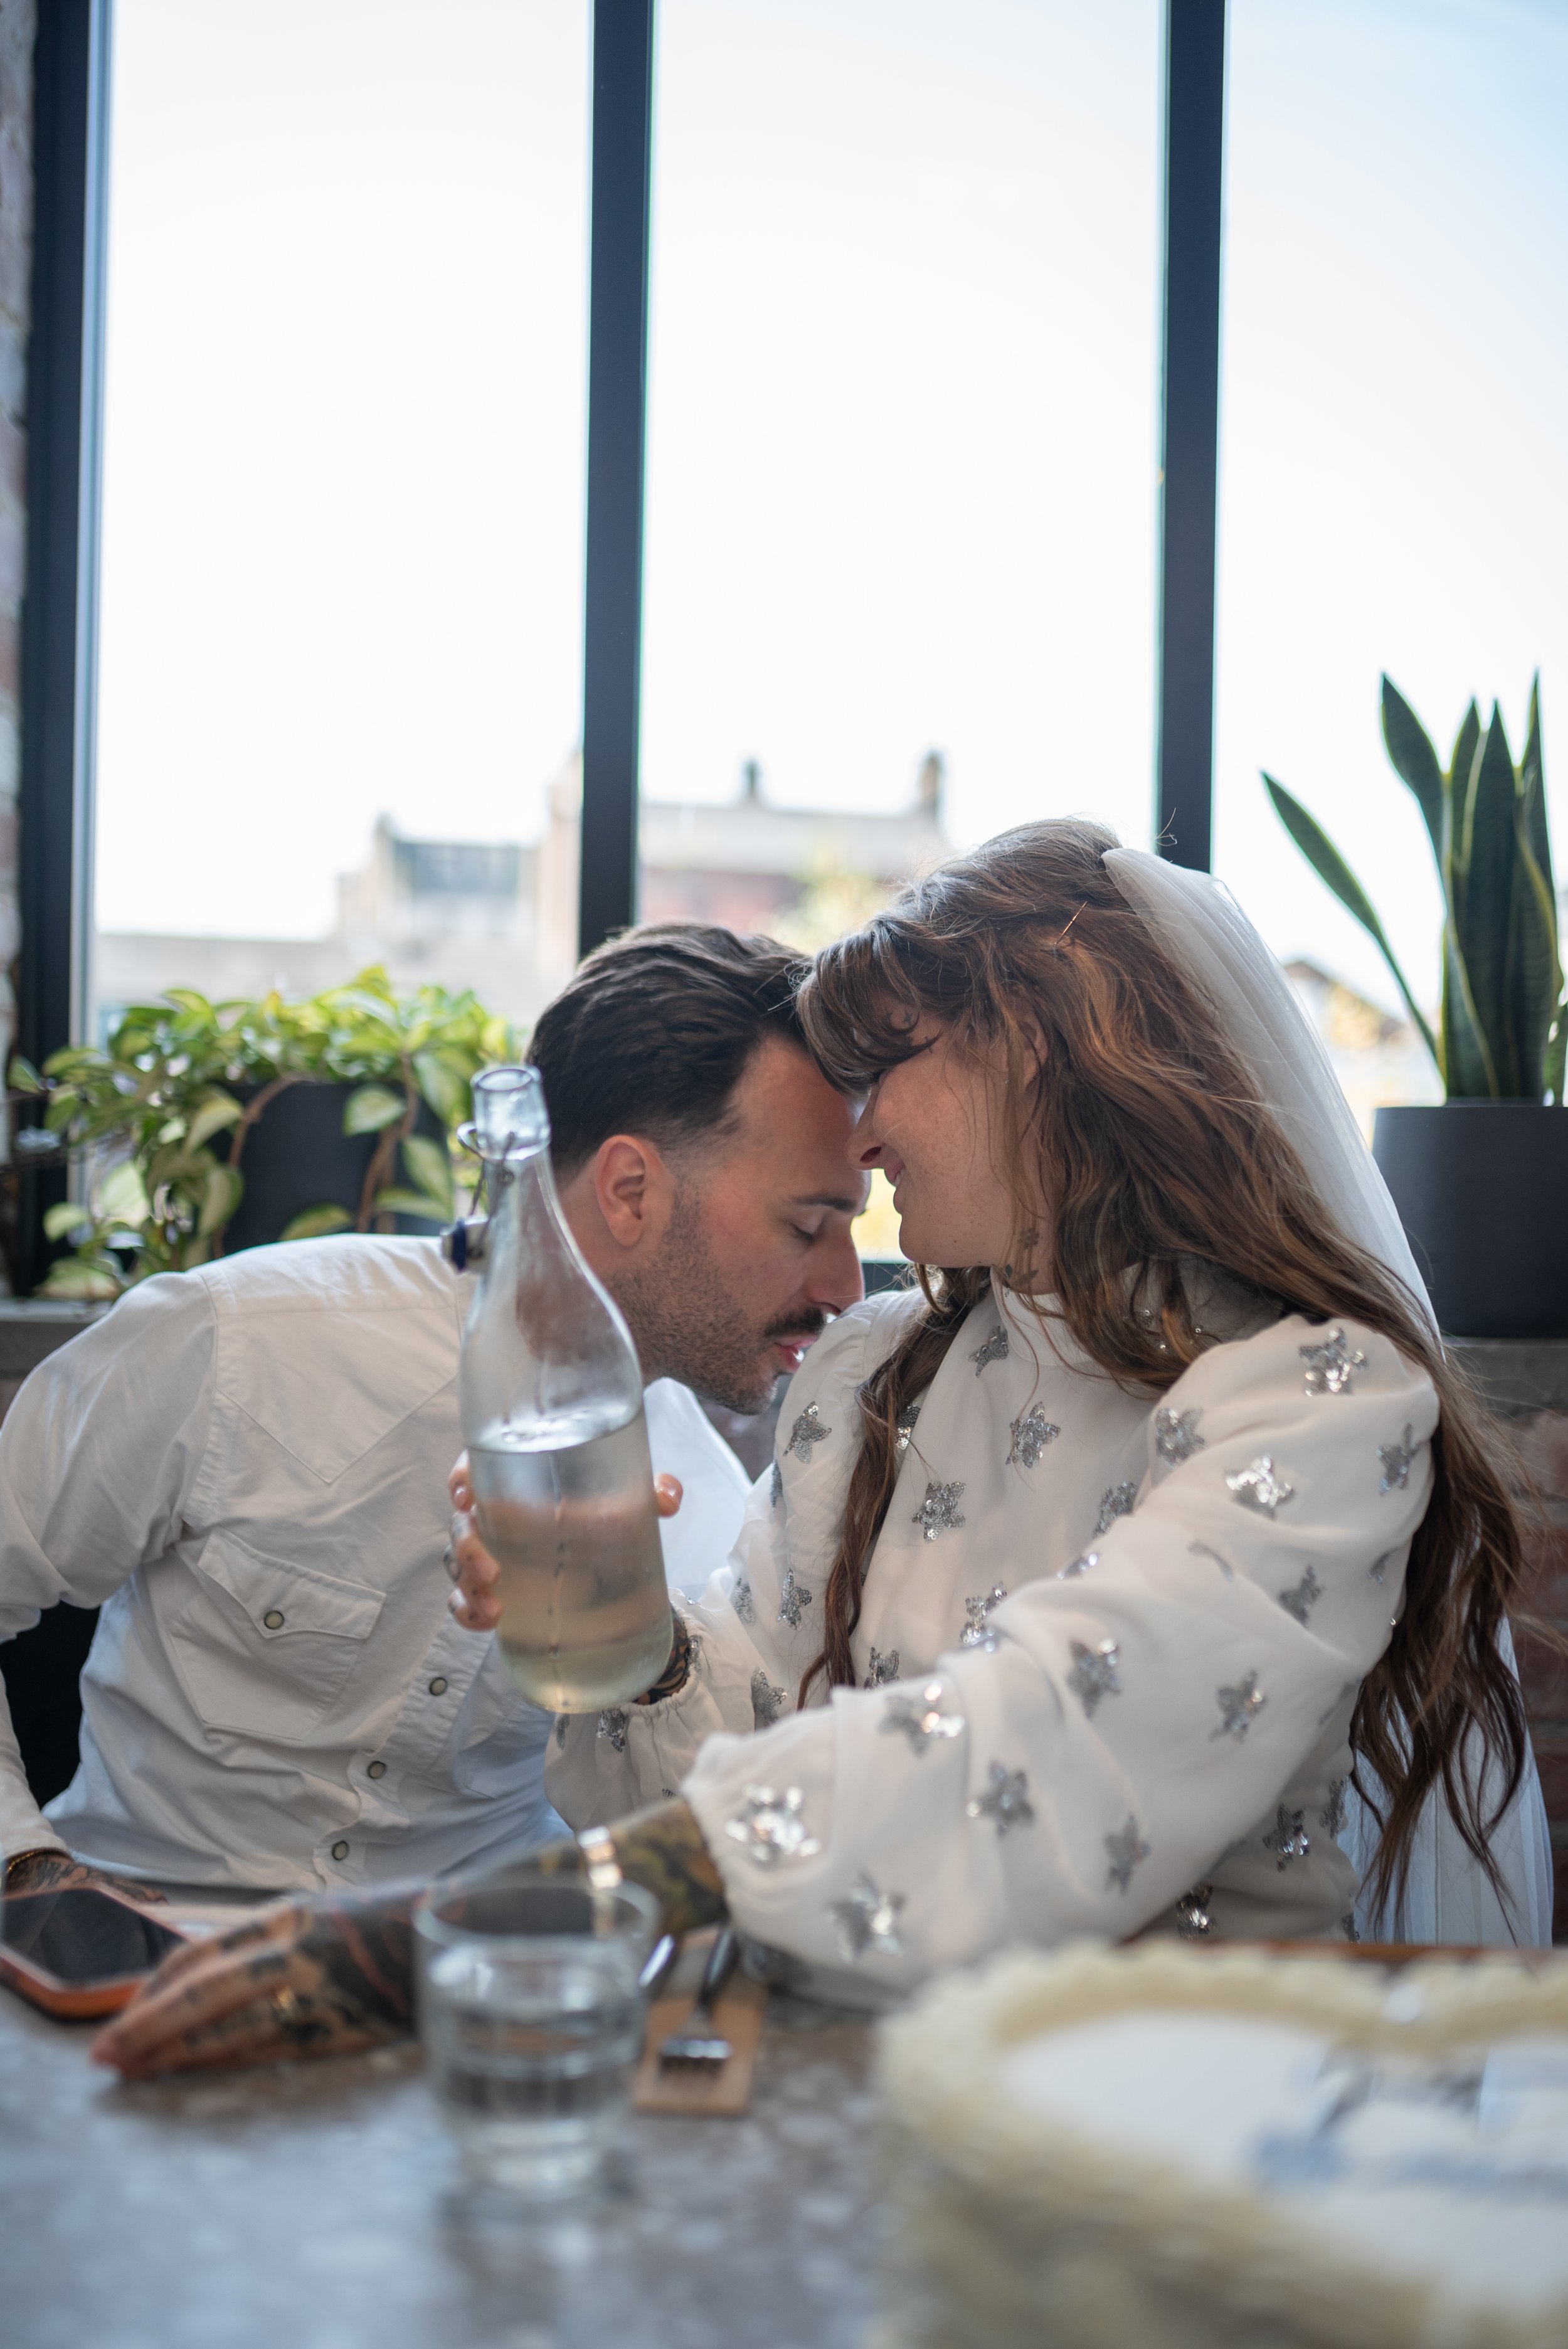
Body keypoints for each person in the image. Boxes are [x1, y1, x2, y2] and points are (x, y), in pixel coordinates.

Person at [96, 824, 1550, 2078]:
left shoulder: (1321, 1404)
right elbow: (737, 1746)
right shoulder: (867, 1378)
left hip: (1175, 2123)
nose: (855, 1139)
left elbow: (1047, 1743)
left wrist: (491, 1925)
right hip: (856, 2095)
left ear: (1032, 1051)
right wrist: (634, 1647)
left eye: (887, 1069)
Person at [1, 925, 865, 1906]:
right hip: (127, 1958)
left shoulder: (702, 1504)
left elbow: (688, 1824)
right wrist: (28, 1875)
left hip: (446, 1990)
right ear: (630, 1191)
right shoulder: (235, 1342)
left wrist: (649, 1656)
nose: (843, 1284)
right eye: (809, 1224)